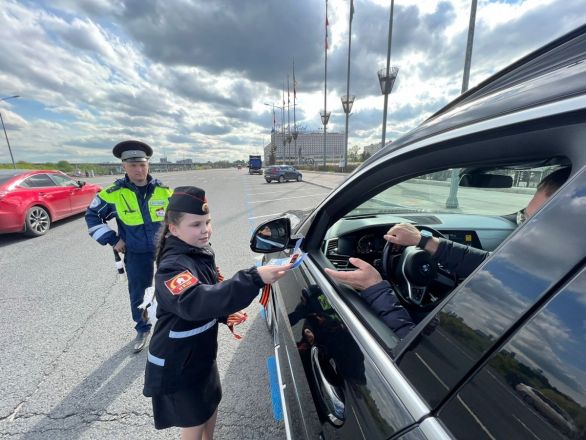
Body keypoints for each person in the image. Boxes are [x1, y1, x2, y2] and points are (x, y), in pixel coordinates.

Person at [325, 167, 571, 335]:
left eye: (533, 222)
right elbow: (491, 265)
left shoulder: (539, 304)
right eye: (522, 218)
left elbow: (416, 360)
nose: (521, 231)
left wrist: (376, 290)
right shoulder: (551, 275)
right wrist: (423, 241)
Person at [143, 186, 291, 439]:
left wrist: (223, 314)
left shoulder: (196, 251)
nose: (205, 230)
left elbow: (210, 290)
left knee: (210, 404)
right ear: (174, 228)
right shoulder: (172, 265)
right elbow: (195, 300)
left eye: (207, 222)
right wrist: (253, 278)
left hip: (199, 355)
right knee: (194, 421)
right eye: (196, 224)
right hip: (178, 361)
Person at [85, 140, 173, 353]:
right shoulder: (113, 193)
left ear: (148, 165)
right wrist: (114, 239)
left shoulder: (163, 191)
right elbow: (92, 216)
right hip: (135, 251)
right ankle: (143, 327)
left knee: (171, 285)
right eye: (133, 165)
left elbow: (178, 217)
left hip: (164, 249)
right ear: (123, 166)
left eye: (142, 164)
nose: (139, 169)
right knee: (140, 292)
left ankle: (171, 325)